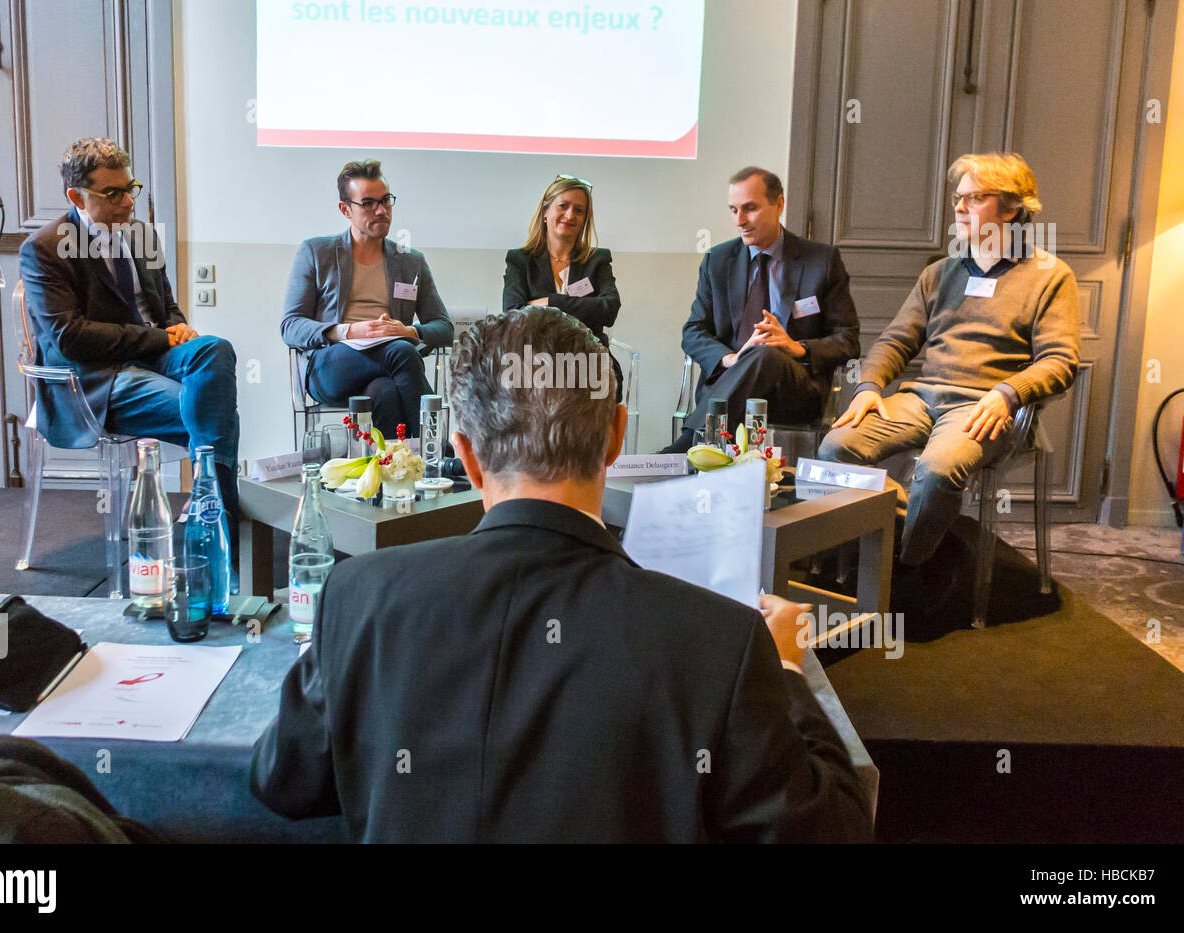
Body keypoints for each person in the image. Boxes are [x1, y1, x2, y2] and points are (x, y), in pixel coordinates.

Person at [251, 308, 872, 843]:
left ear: (465, 455)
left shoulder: (359, 598)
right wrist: (788, 671)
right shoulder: (724, 640)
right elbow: (835, 828)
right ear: (615, 439)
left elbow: (281, 780)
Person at [820, 152, 1080, 569]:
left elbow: (1061, 361)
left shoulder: (1049, 276)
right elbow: (896, 339)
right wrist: (868, 388)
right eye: (958, 197)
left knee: (938, 471)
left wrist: (1009, 393)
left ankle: (909, 568)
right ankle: (894, 539)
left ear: (1012, 208)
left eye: (974, 198)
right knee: (836, 449)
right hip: (921, 399)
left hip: (984, 407)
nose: (958, 207)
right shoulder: (940, 273)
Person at [20, 138, 241, 551]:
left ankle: (208, 507)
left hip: (157, 356)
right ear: (76, 196)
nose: (128, 202)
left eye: (130, 188)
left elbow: (166, 306)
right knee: (216, 411)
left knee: (215, 350)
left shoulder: (141, 235)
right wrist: (160, 336)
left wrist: (180, 330)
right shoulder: (45, 249)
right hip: (94, 380)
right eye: (113, 193)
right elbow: (70, 337)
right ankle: (220, 518)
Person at [663, 167, 860, 452]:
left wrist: (797, 347)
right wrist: (731, 359)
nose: (739, 221)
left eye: (750, 209)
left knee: (767, 353)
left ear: (779, 204)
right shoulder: (717, 260)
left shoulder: (822, 261)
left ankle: (687, 446)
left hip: (794, 392)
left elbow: (848, 340)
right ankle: (700, 447)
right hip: (727, 387)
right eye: (733, 210)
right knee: (758, 354)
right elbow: (693, 331)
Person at [280, 159, 452, 437]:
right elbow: (290, 326)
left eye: (386, 201)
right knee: (401, 352)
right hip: (331, 366)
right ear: (345, 209)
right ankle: (437, 457)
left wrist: (408, 330)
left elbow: (444, 328)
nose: (381, 210)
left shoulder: (411, 261)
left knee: (384, 391)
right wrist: (348, 331)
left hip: (389, 368)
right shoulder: (316, 251)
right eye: (369, 203)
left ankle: (393, 473)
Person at [502, 175, 624, 401]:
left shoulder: (597, 259)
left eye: (579, 210)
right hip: (537, 360)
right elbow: (513, 314)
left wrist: (550, 303)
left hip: (589, 359)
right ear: (546, 211)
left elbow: (609, 308)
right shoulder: (520, 260)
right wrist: (585, 309)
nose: (570, 215)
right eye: (563, 206)